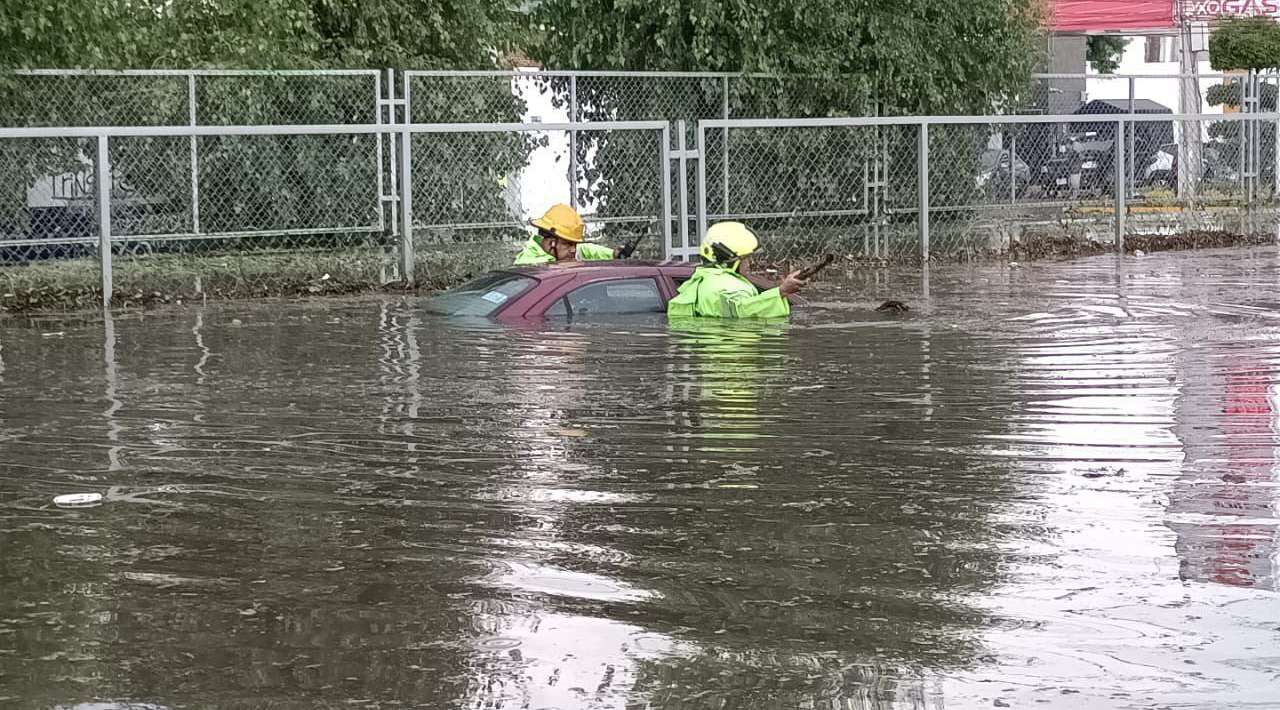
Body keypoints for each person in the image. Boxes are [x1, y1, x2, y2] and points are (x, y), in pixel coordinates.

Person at [667, 222, 807, 319]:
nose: (750, 263)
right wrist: (781, 291)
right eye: (746, 258)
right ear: (731, 260)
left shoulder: (702, 281)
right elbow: (741, 310)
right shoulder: (724, 285)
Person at [514, 204, 623, 265]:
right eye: (568, 244)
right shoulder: (529, 265)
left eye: (574, 244)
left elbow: (584, 249)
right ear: (551, 242)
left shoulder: (551, 252)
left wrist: (612, 254)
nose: (573, 250)